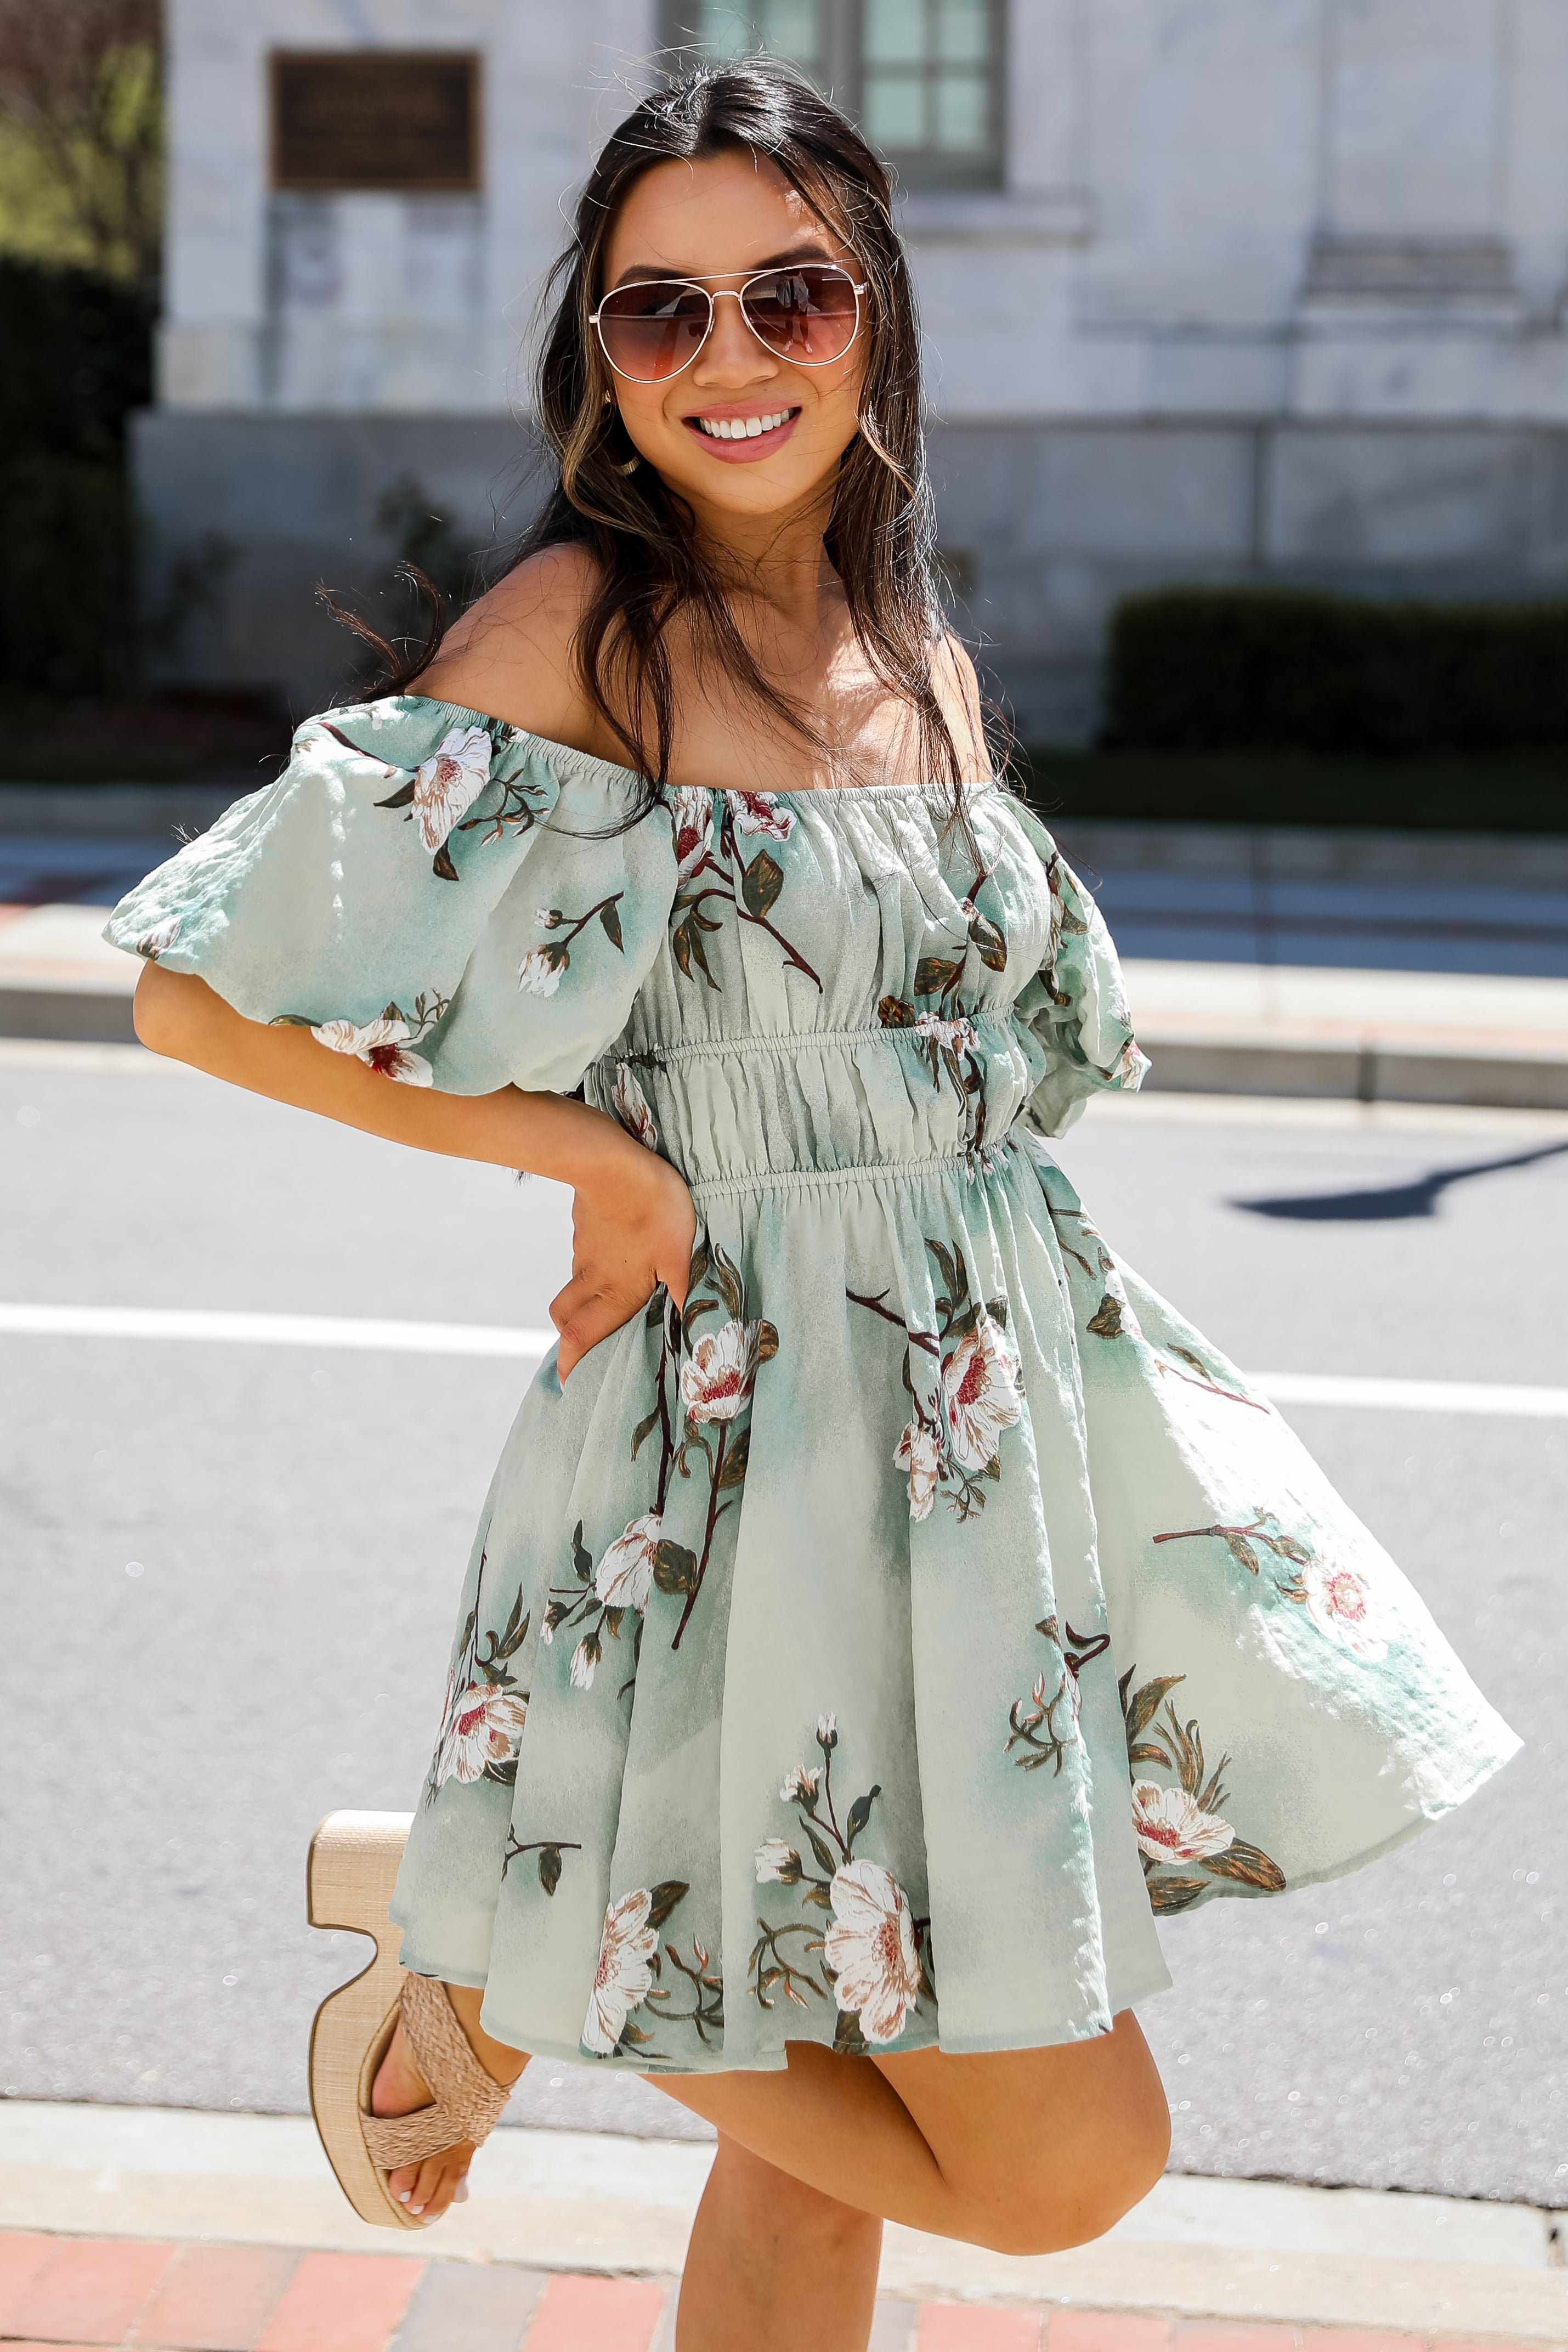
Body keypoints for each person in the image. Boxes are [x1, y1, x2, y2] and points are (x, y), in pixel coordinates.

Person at [108, 61, 1518, 2352]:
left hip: (972, 1473)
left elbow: (1000, 1083)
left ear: (873, 316)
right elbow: (194, 994)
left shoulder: (920, 656)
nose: (732, 357)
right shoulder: (583, 631)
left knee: (827, 2162)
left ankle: (480, 1914)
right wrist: (579, 1154)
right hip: (733, 1470)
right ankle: (496, 1935)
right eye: (660, 314)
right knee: (1073, 2160)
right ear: (600, 358)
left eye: (790, 291)